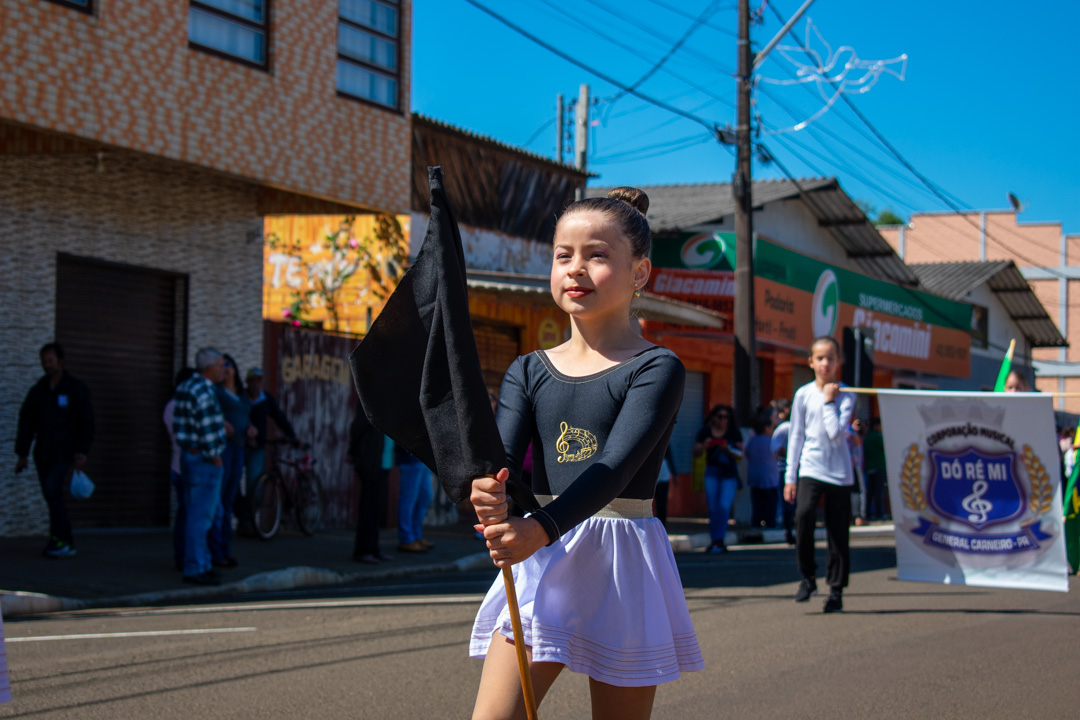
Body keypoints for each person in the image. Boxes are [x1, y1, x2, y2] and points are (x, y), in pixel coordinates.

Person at [468, 187, 703, 720]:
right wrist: (485, 490)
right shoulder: (527, 370)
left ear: (640, 273)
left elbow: (614, 469)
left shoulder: (656, 368)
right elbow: (499, 460)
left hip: (621, 559)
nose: (576, 269)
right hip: (543, 559)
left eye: (597, 255)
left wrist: (537, 528)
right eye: (563, 255)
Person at [784, 336, 856, 613]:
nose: (826, 363)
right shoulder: (802, 394)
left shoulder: (847, 393)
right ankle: (807, 577)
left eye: (831, 358)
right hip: (810, 467)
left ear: (839, 361)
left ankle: (836, 590)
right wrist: (790, 477)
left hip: (839, 472)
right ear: (811, 361)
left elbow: (836, 433)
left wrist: (829, 401)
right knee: (803, 515)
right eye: (820, 358)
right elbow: (796, 436)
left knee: (838, 532)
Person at [15, 343, 95, 558]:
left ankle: (60, 539)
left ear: (60, 361)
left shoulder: (75, 388)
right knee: (51, 495)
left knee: (52, 490)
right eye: (44, 361)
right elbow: (27, 422)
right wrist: (22, 454)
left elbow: (86, 421)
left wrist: (81, 451)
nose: (47, 365)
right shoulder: (39, 390)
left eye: (50, 361)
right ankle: (62, 540)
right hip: (43, 452)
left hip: (64, 452)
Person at [173, 348, 228, 586]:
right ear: (209, 368)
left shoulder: (185, 387)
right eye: (220, 365)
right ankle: (196, 567)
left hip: (189, 456)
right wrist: (215, 454)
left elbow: (179, 425)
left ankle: (202, 563)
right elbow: (207, 428)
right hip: (204, 460)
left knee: (194, 513)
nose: (223, 370)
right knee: (201, 517)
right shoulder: (203, 391)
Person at [209, 353, 252, 569]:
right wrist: (223, 423)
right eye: (222, 365)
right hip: (223, 449)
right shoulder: (216, 392)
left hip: (239, 448)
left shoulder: (241, 394)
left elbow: (246, 415)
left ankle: (224, 549)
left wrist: (250, 428)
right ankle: (216, 551)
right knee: (218, 501)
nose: (225, 368)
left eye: (228, 364)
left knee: (228, 499)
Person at [241, 367, 298, 533]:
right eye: (253, 380)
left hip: (258, 447)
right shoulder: (241, 398)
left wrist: (293, 436)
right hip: (240, 445)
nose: (256, 384)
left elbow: (280, 418)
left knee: (254, 483)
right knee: (232, 484)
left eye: (259, 380)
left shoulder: (266, 400)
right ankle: (240, 515)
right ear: (248, 382)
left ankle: (250, 522)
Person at [693, 404, 743, 554]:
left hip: (729, 473)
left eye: (726, 417)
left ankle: (719, 539)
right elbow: (695, 453)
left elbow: (741, 454)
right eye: (720, 416)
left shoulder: (733, 432)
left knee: (724, 506)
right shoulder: (705, 432)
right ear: (713, 417)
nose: (723, 420)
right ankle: (715, 540)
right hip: (712, 472)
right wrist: (705, 446)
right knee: (713, 508)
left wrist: (727, 448)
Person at [350, 402, 392, 564]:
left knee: (376, 510)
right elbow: (357, 428)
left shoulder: (389, 402)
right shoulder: (368, 400)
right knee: (367, 509)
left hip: (384, 463)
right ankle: (362, 550)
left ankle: (373, 549)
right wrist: (352, 451)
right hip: (370, 463)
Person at [163, 367, 197, 570]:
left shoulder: (175, 405)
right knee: (186, 514)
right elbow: (183, 438)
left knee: (188, 513)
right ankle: (183, 555)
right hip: (182, 467)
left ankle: (185, 555)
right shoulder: (175, 406)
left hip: (181, 466)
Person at [746, 407, 779, 529]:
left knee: (757, 503)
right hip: (770, 478)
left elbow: (747, 454)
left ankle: (756, 523)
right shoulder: (771, 441)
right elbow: (777, 453)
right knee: (770, 503)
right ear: (766, 427)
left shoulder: (752, 441)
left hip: (754, 477)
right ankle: (770, 523)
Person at [396, 448, 434, 552]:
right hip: (410, 458)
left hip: (423, 458)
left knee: (425, 498)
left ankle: (416, 536)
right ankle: (406, 539)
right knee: (408, 499)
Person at [770, 398, 795, 545]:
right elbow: (775, 449)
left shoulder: (805, 427)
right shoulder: (785, 427)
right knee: (787, 502)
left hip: (803, 471)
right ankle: (787, 528)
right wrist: (795, 453)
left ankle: (793, 529)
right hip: (784, 470)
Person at [861, 417, 888, 521]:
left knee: (870, 492)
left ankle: (868, 513)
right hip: (879, 467)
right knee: (879, 492)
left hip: (869, 467)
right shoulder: (878, 437)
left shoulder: (867, 436)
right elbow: (886, 448)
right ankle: (879, 514)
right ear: (876, 426)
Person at [847, 418, 866, 526]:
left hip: (845, 465)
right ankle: (858, 516)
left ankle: (853, 516)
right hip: (854, 465)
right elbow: (857, 444)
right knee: (858, 491)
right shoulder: (849, 431)